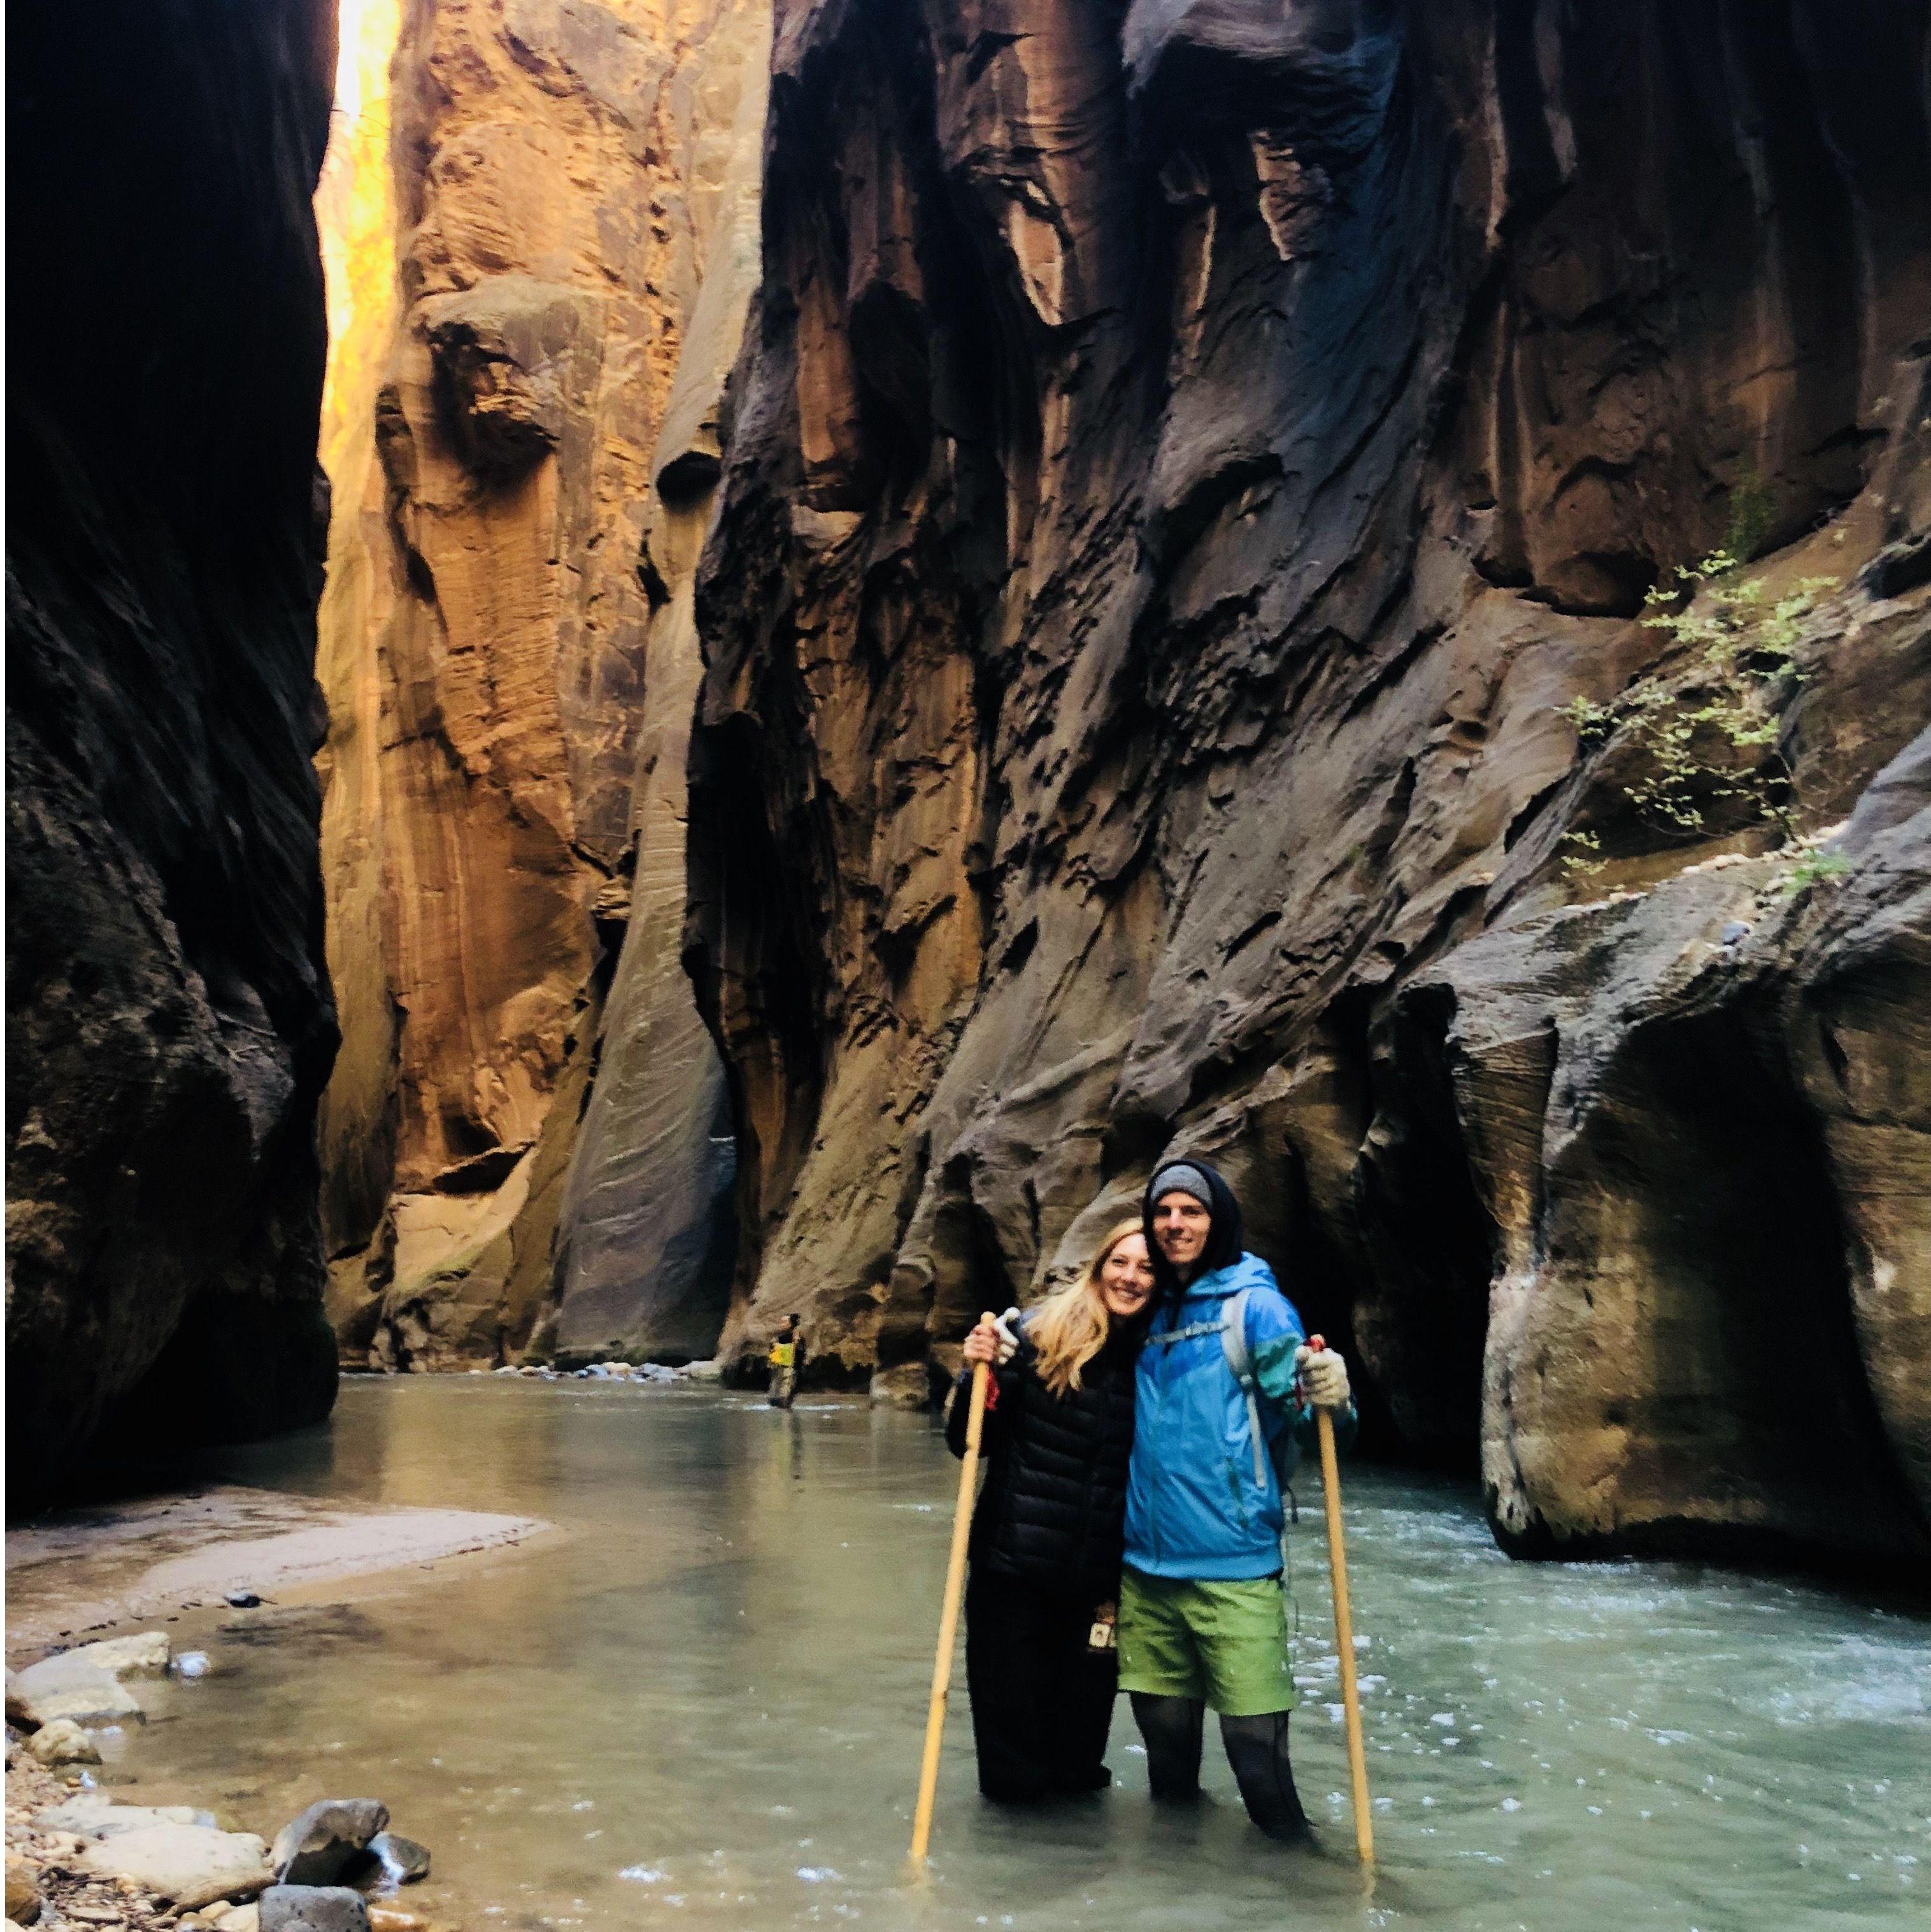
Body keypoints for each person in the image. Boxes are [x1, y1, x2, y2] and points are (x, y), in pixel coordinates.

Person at [1119, 1157, 1355, 1842]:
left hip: (1236, 1568)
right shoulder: (1143, 1304)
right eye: (1162, 1211)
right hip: (1143, 1574)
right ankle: (1186, 1895)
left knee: (1258, 1765)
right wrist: (1003, 1337)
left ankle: (1304, 1895)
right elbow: (1067, 1326)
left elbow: (1315, 1412)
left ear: (1216, 1217)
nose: (1173, 1224)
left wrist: (1334, 1394)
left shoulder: (1254, 1306)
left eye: (1190, 1211)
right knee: (1166, 1771)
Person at [944, 1219, 1156, 1803]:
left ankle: (1076, 1885)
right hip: (1014, 1572)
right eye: (1120, 1262)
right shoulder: (1036, 1336)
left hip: (1099, 1585)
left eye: (1146, 1268)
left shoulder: (1158, 1361)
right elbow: (970, 1440)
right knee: (1014, 1763)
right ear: (1098, 1265)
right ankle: (1010, 1885)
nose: (1130, 1278)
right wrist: (976, 1371)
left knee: (1079, 1760)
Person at [767, 1313, 802, 1409]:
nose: (782, 1324)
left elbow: (800, 1353)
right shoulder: (779, 1337)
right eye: (781, 1322)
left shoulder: (797, 1338)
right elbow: (773, 1352)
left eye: (784, 1322)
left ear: (791, 1324)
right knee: (774, 1393)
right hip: (779, 1367)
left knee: (785, 1393)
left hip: (791, 1368)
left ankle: (784, 1407)